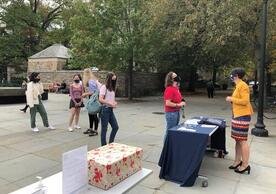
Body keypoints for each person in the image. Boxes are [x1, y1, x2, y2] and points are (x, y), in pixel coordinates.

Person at [226, 67, 253, 174]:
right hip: (237, 115)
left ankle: (245, 165)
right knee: (237, 139)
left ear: (236, 75)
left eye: (232, 75)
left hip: (243, 116)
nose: (231, 77)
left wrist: (231, 99)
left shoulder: (243, 85)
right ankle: (237, 161)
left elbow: (245, 101)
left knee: (242, 140)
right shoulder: (238, 85)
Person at [163, 72, 186, 140]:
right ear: (171, 79)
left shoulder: (176, 88)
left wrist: (182, 101)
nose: (177, 77)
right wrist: (179, 104)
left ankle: (170, 147)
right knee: (169, 132)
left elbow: (177, 98)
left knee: (173, 131)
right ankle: (166, 148)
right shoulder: (169, 89)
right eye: (175, 76)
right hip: (171, 114)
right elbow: (167, 103)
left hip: (176, 112)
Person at [99, 72, 119, 146]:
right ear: (109, 79)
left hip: (110, 110)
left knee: (115, 127)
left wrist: (114, 103)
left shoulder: (112, 88)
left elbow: (111, 99)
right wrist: (110, 103)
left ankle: (111, 143)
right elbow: (100, 99)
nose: (114, 81)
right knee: (104, 129)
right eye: (113, 79)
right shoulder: (104, 87)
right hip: (105, 110)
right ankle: (103, 146)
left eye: (115, 80)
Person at [82, 68, 102, 136]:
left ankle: (95, 130)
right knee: (90, 114)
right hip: (92, 99)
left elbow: (94, 92)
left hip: (94, 99)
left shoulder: (91, 81)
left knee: (93, 114)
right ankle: (91, 128)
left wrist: (85, 94)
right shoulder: (91, 80)